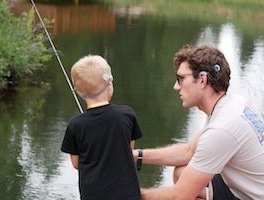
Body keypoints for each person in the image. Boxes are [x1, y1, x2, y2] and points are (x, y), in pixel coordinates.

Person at [133, 44, 264, 200]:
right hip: (243, 188)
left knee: (186, 189)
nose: (176, 87)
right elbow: (189, 151)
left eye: (181, 78)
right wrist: (136, 156)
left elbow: (179, 196)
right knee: (182, 172)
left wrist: (127, 194)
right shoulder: (231, 103)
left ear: (202, 80)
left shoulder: (222, 129)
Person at [61, 55, 143, 200]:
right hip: (128, 194)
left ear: (79, 92)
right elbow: (128, 151)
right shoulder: (126, 115)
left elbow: (76, 164)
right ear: (109, 86)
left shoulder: (75, 125)